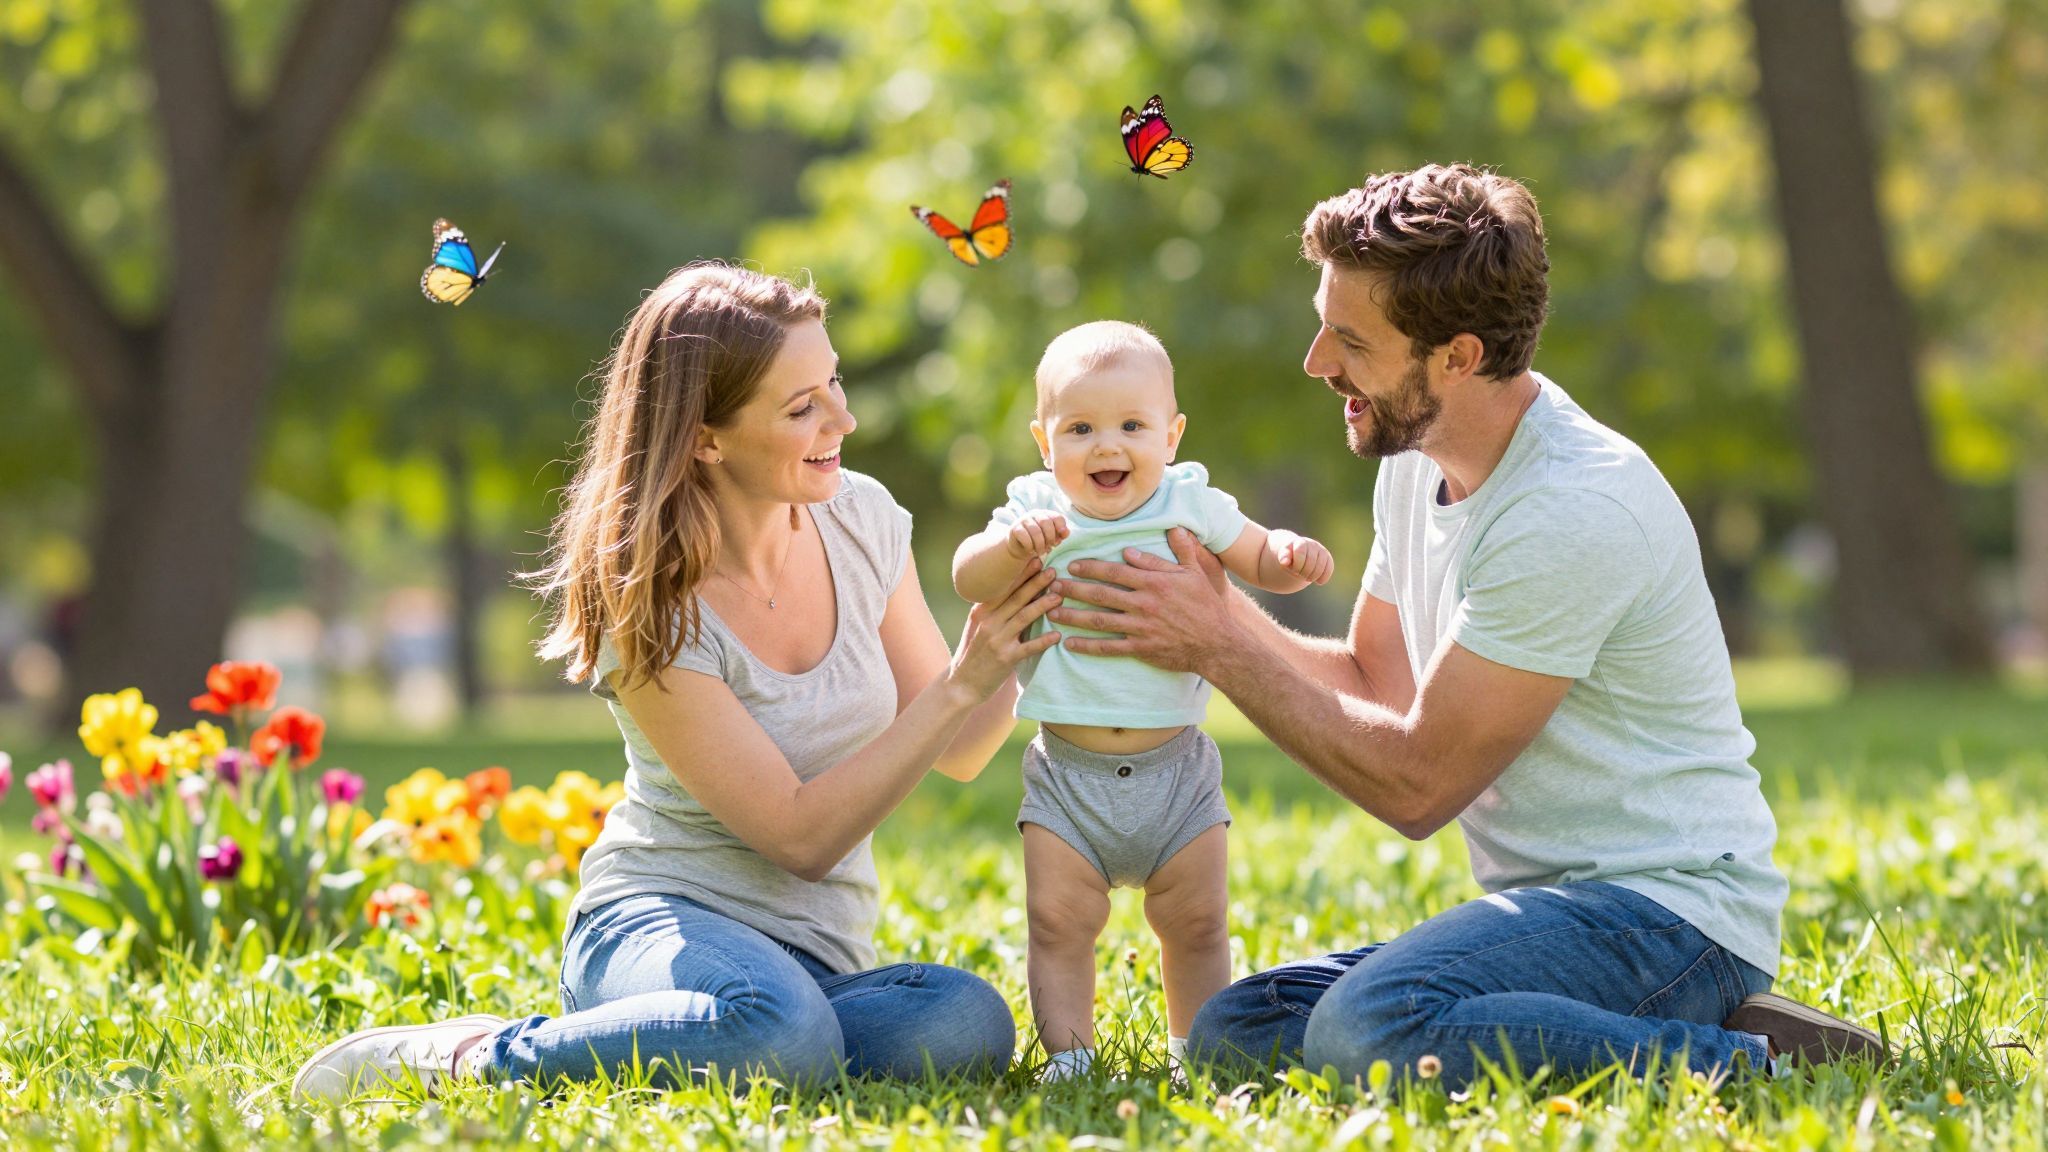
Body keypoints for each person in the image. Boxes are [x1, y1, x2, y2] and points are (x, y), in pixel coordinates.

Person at [1041, 165, 1888, 1085]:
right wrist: (1212, 613)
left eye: (1350, 340)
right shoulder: (1415, 456)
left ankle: (1754, 1061)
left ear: (1459, 356)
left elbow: (1417, 785)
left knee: (1364, 1031)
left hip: (1669, 914)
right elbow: (1377, 684)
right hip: (1552, 911)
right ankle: (1586, 1021)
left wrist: (1215, 642)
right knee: (1236, 1029)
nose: (1318, 363)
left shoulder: (1571, 507)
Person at [293, 262, 1058, 1104]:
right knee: (780, 1033)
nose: (842, 417)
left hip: (817, 956)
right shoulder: (652, 602)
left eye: (832, 382)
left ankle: (746, 1037)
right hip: (657, 923)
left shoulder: (861, 516)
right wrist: (958, 686)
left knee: (962, 1021)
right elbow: (800, 839)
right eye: (801, 407)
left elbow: (963, 748)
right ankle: (477, 1057)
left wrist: (1032, 624)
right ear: (704, 436)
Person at [952, 320, 1334, 1080]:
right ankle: (1070, 1058)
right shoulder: (1032, 508)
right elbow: (969, 576)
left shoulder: (1189, 500)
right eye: (1080, 428)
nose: (1107, 446)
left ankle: (1197, 1049)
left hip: (1178, 774)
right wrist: (1010, 548)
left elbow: (1254, 553)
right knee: (1056, 925)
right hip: (1067, 777)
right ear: (1043, 441)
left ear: (1171, 433)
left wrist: (1289, 559)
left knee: (1198, 925)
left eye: (1132, 425)